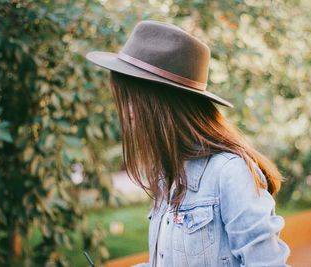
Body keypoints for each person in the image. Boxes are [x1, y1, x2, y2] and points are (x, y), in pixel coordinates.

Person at [86, 19, 291, 267]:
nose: (125, 113)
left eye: (131, 101)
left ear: (159, 104)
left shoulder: (229, 173)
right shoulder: (167, 172)